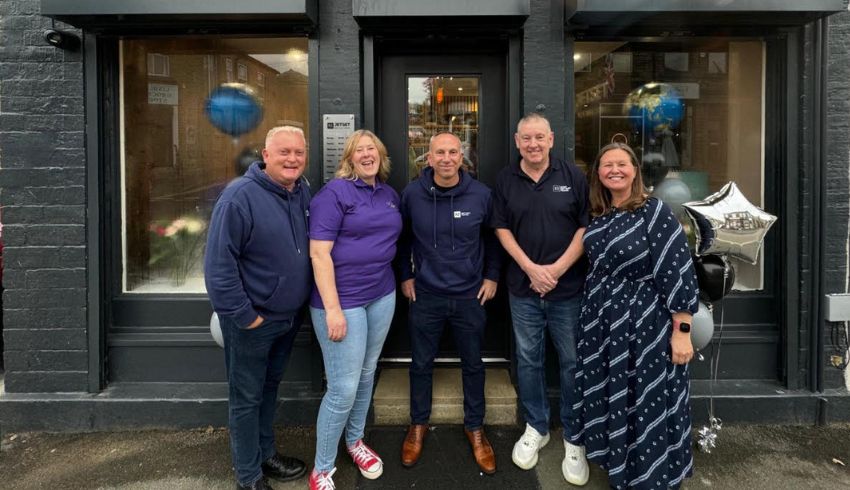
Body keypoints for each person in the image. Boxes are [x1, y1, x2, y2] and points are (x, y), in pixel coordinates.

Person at [565, 142, 698, 489]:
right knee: (615, 394)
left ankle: (650, 477)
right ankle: (620, 469)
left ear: (635, 170)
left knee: (645, 396)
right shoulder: (600, 214)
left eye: (621, 164)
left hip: (645, 321)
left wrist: (682, 329)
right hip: (602, 322)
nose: (614, 170)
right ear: (598, 174)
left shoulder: (654, 211)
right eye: (607, 165)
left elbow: (677, 270)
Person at [204, 126, 311, 490]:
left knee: (268, 390)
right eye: (284, 152)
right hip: (253, 321)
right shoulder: (239, 197)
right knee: (246, 399)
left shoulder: (302, 191)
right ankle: (248, 476)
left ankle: (266, 455)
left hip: (287, 319)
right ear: (266, 156)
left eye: (298, 152)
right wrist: (245, 316)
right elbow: (218, 267)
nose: (292, 159)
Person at [490, 113, 591, 485]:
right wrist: (531, 269)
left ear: (550, 139)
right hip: (523, 289)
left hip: (568, 290)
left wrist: (557, 270)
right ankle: (537, 426)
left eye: (539, 137)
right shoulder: (505, 179)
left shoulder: (573, 176)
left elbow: (586, 227)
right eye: (526, 138)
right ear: (517, 142)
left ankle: (574, 436)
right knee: (529, 360)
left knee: (572, 362)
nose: (533, 144)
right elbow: (501, 228)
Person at [397, 132, 502, 474]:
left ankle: (475, 427)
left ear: (462, 157)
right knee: (420, 364)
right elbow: (402, 239)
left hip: (470, 295)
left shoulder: (481, 194)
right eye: (439, 152)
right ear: (428, 158)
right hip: (426, 295)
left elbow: (494, 239)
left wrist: (492, 277)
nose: (446, 158)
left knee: (473, 364)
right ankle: (418, 424)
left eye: (452, 152)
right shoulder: (412, 194)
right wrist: (405, 276)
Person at [308, 129, 402, 490]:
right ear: (349, 159)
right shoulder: (334, 194)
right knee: (343, 388)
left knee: (366, 374)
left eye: (372, 149)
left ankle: (355, 441)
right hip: (342, 301)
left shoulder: (389, 195)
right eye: (359, 150)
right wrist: (332, 309)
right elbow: (319, 254)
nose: (366, 154)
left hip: (381, 294)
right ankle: (322, 469)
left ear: (381, 156)